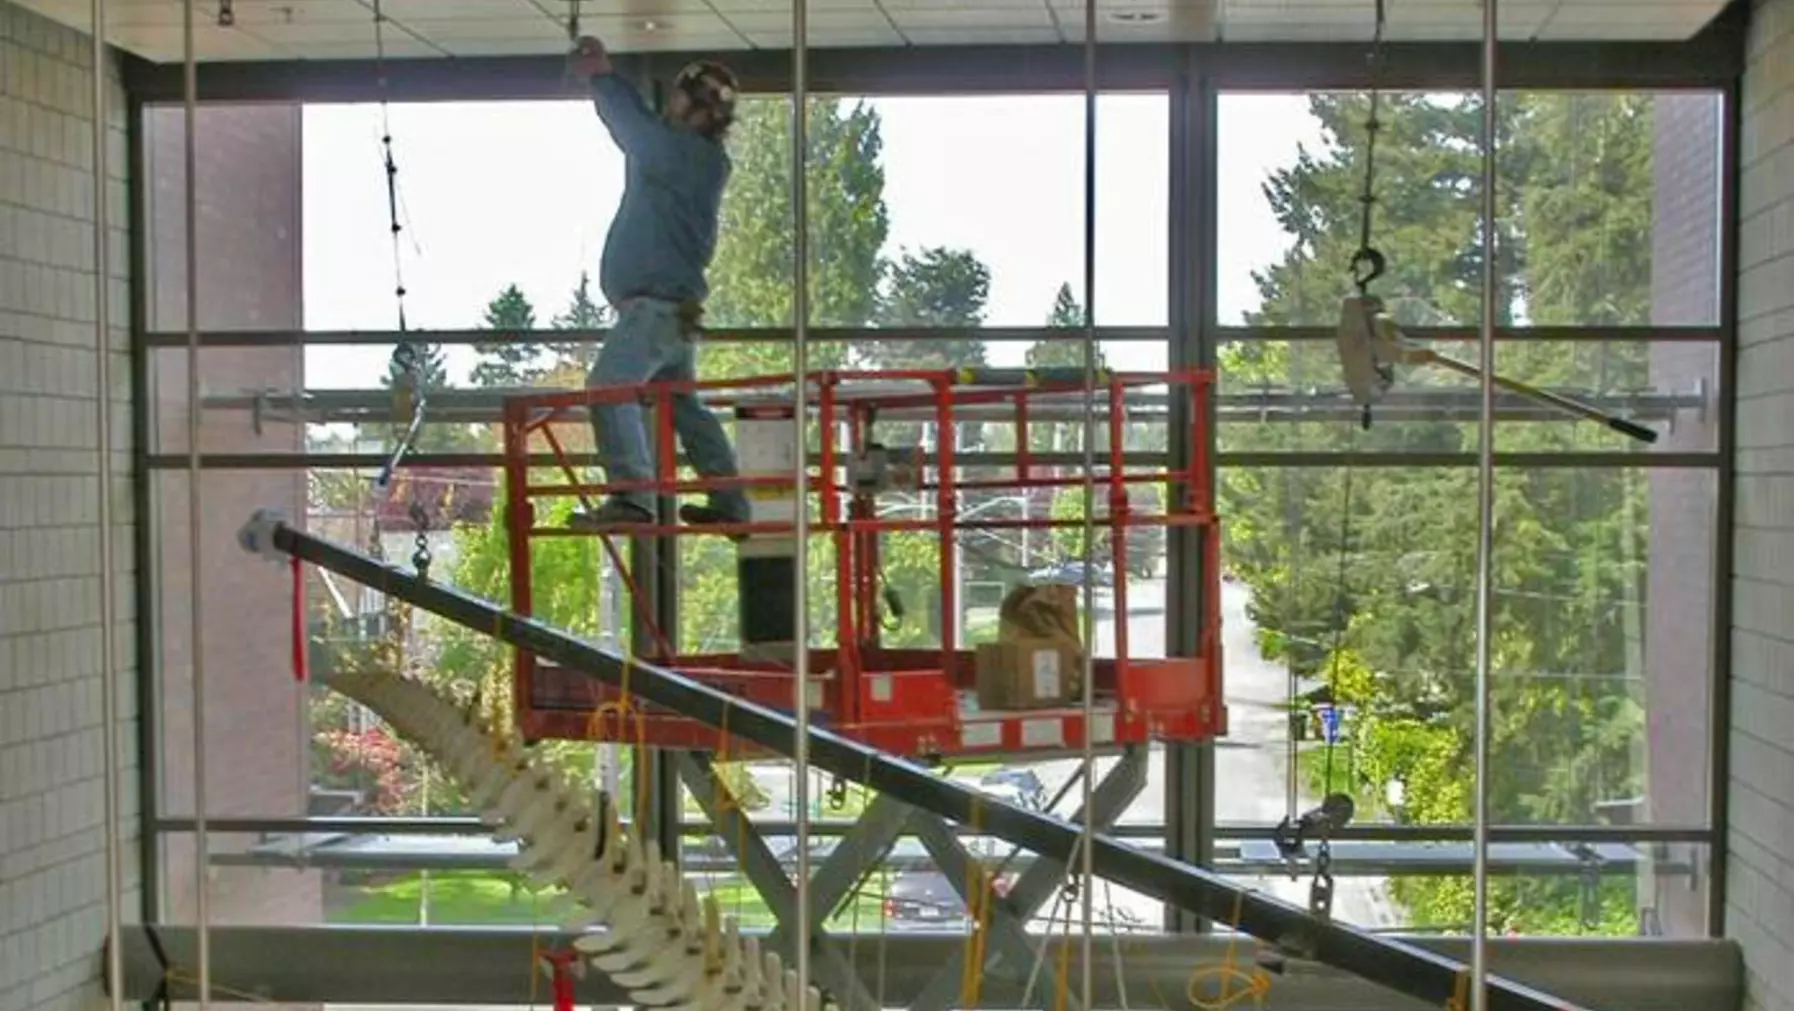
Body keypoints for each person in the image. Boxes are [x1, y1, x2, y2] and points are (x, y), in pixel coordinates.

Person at [566, 36, 751, 532]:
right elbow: (641, 137)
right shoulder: (696, 160)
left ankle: (631, 496)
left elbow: (635, 132)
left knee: (609, 387)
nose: (668, 103)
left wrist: (602, 77)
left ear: (693, 107)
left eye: (677, 96)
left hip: (653, 308)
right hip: (673, 310)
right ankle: (730, 502)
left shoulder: (682, 155)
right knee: (683, 405)